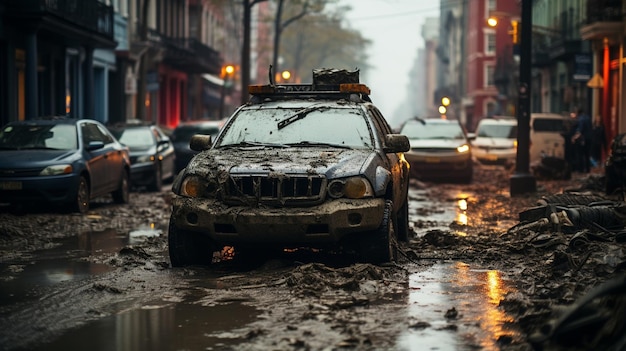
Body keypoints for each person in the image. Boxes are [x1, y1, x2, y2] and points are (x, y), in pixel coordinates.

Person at [571, 108, 592, 173]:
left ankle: (581, 169)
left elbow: (580, 130)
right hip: (589, 138)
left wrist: (574, 138)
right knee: (587, 154)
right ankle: (588, 169)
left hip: (582, 140)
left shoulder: (581, 119)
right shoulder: (588, 118)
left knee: (580, 154)